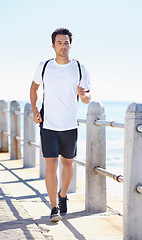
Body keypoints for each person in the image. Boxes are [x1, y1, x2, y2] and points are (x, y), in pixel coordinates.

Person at [30, 28, 91, 222]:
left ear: (70, 45)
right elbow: (33, 88)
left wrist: (84, 95)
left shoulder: (80, 68)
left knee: (68, 164)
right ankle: (54, 207)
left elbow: (88, 98)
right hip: (48, 124)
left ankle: (63, 194)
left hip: (69, 124)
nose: (63, 46)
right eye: (59, 43)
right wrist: (34, 109)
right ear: (53, 45)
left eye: (66, 43)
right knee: (51, 165)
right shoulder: (44, 66)